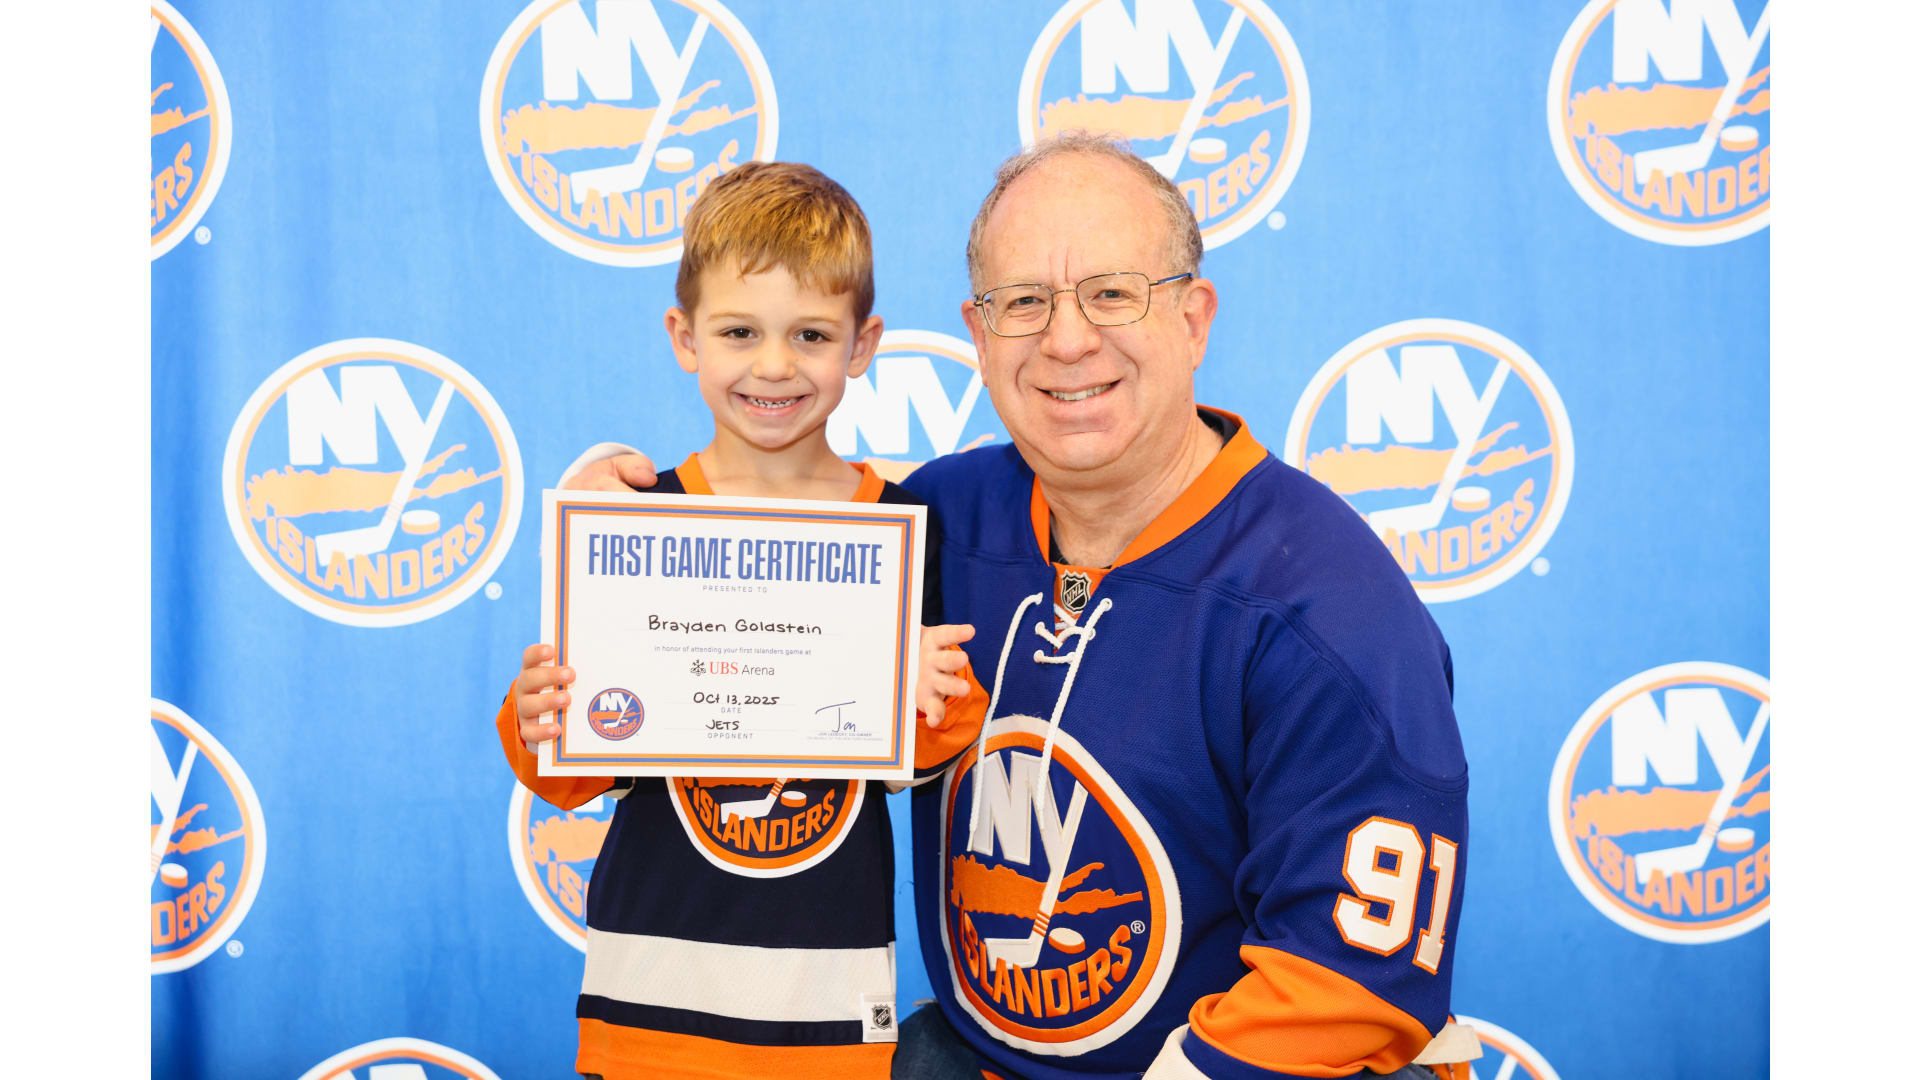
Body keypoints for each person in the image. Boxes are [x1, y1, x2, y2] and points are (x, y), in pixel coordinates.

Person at [567, 134, 1477, 1080]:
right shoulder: (930, 526)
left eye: (1113, 293)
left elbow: (1348, 983)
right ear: (978, 332)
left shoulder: (1326, 605)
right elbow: (744, 592)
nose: (1067, 340)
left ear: (1194, 318)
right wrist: (623, 521)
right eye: (1025, 302)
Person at [499, 161, 978, 1080]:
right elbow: (566, 769)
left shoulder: (900, 529)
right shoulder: (634, 518)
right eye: (738, 332)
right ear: (685, 337)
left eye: (811, 334)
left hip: (827, 1010)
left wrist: (921, 691)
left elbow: (932, 755)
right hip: (648, 1007)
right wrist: (537, 718)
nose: (774, 365)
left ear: (863, 344)